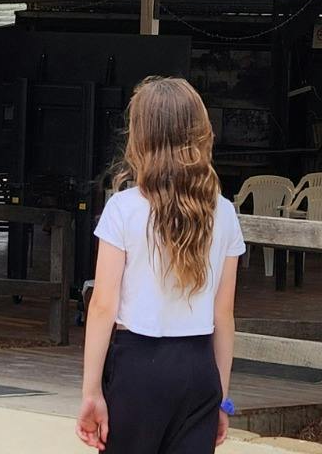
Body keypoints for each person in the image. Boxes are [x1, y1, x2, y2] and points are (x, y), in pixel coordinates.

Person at [78, 77, 245, 453]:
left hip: (137, 366)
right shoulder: (224, 213)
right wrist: (221, 396)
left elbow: (103, 305)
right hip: (199, 367)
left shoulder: (123, 209)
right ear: (201, 132)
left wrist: (91, 391)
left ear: (139, 135)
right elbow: (224, 314)